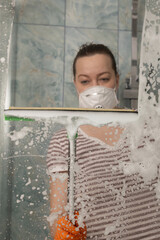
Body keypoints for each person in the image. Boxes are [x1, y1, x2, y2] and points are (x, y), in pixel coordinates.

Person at [46, 43, 160, 239]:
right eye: (85, 81)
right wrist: (61, 229)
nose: (95, 89)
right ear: (75, 84)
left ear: (116, 79)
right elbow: (57, 214)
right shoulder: (64, 141)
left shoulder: (148, 125)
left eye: (104, 79)